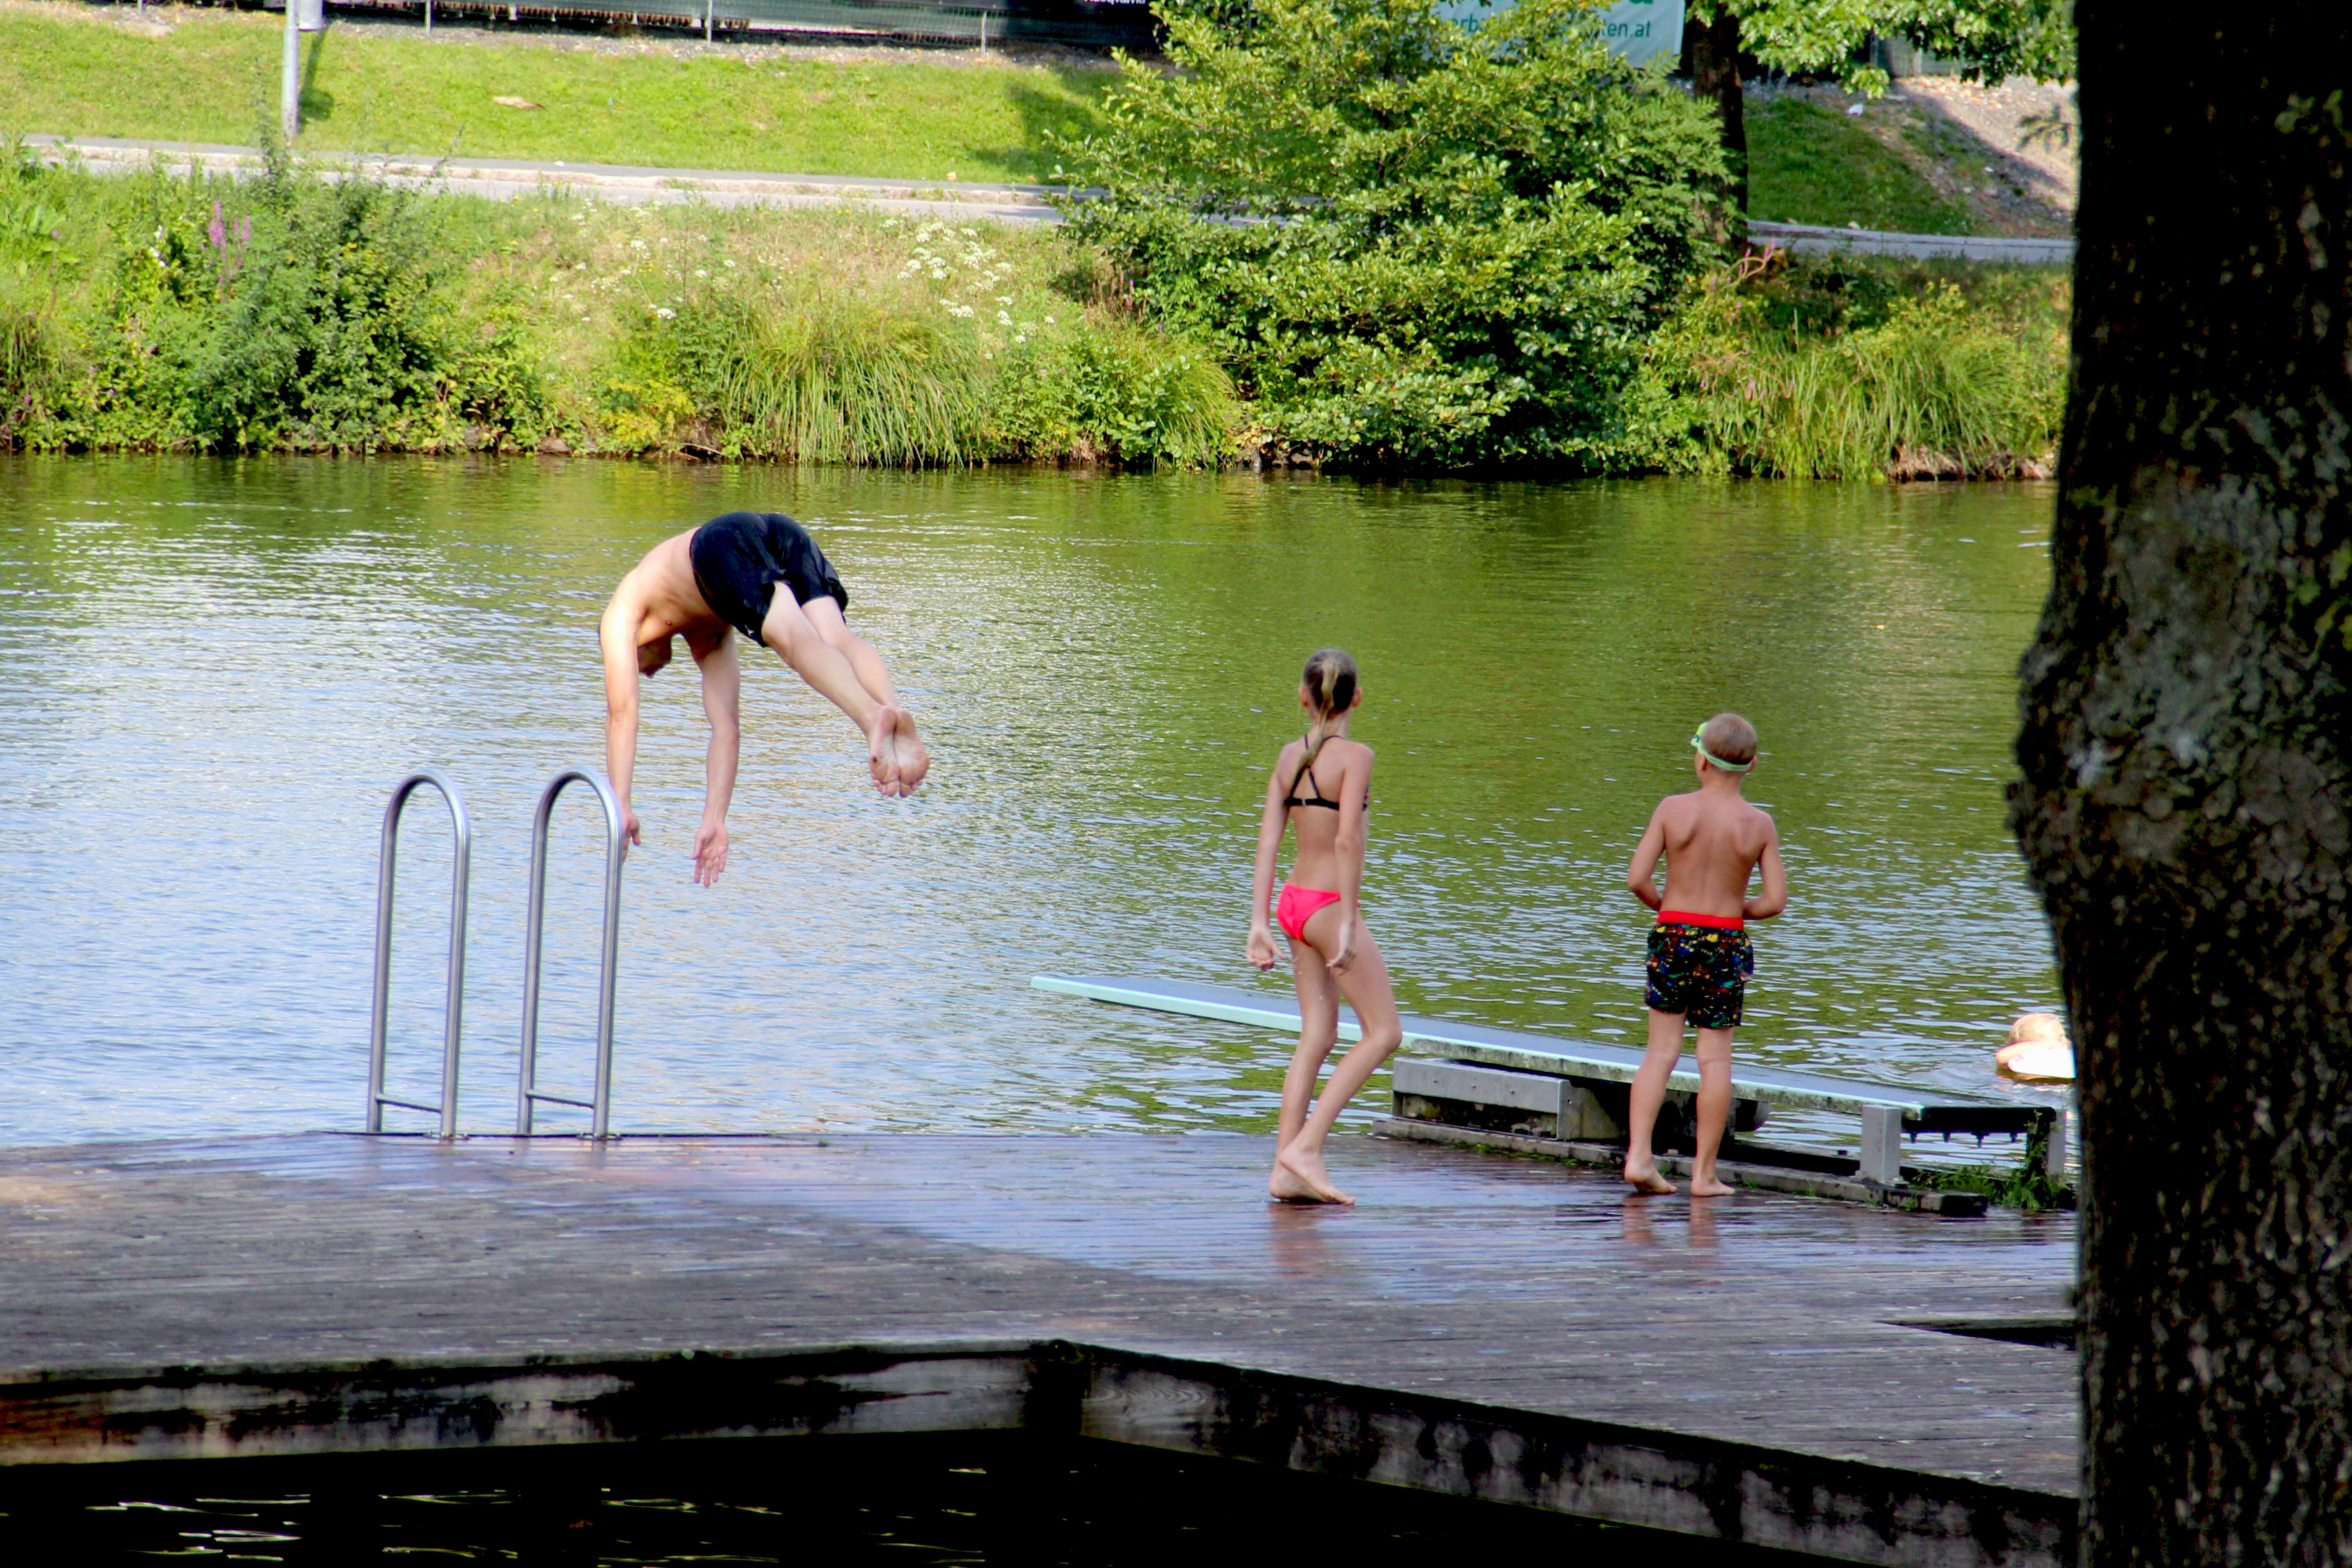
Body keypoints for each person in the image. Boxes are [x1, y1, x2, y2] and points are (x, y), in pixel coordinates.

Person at [600, 510, 928, 887]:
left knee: (794, 640)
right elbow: (727, 731)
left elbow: (622, 713)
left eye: (635, 665)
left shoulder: (620, 616)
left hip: (721, 544)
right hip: (774, 531)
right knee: (835, 638)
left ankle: (873, 719)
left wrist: (621, 804)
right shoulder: (708, 632)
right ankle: (891, 709)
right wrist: (715, 819)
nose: (640, 672)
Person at [1245, 649, 1404, 1205]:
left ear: (1303, 698)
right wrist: (1350, 921)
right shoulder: (1356, 755)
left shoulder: (1289, 757)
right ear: (1356, 697)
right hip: (1328, 907)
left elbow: (1268, 839)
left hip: (1292, 903)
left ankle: (1285, 1170)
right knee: (1385, 1033)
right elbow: (1347, 840)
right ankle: (1308, 1147)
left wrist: (1259, 923)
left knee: (1318, 1035)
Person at [1622, 713, 1787, 1197]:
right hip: (1725, 941)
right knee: (1714, 1060)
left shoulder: (1673, 809)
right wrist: (1736, 910)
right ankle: (1704, 1176)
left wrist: (1667, 907)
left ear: (1700, 760)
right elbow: (1775, 901)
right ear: (1752, 766)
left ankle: (1639, 1157)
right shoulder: (1758, 824)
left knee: (1661, 1052)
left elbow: (1637, 879)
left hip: (1673, 933)